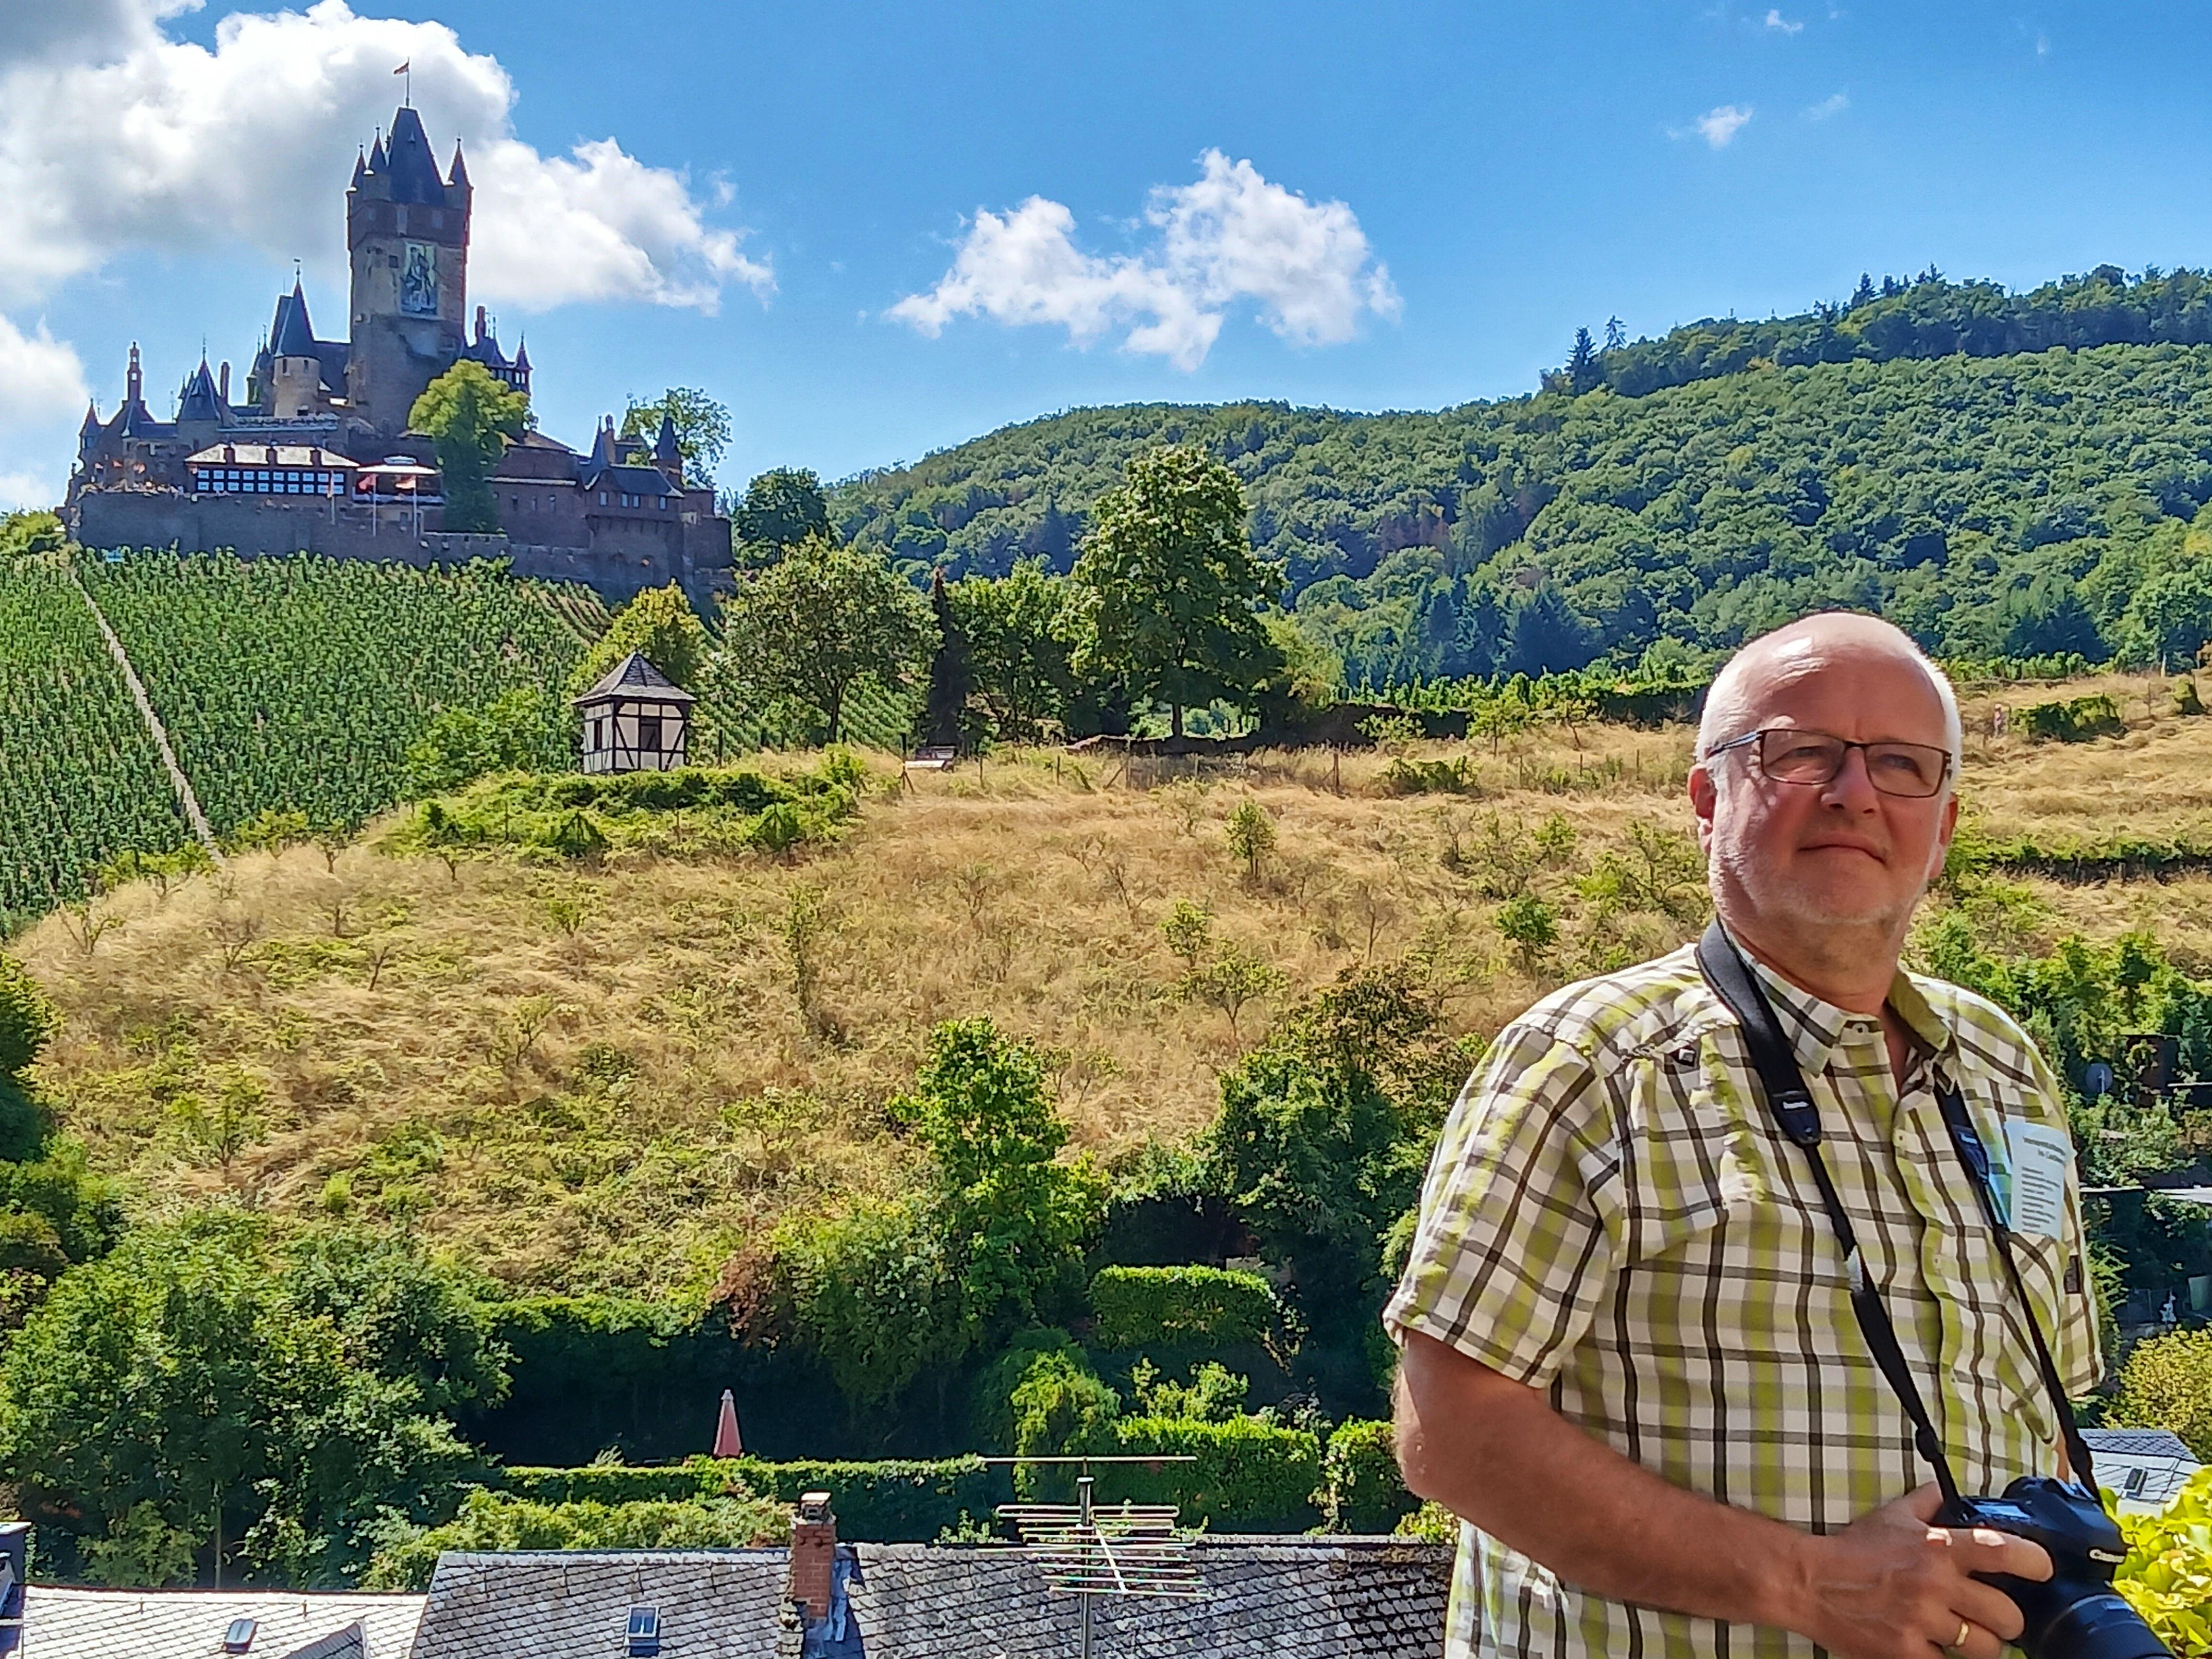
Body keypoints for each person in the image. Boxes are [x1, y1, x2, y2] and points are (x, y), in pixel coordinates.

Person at [1386, 613, 2100, 1659]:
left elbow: (2052, 1411)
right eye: (1803, 752)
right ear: (1708, 798)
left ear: (1943, 826)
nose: (1855, 793)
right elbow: (1448, 1435)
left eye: (1902, 764)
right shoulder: (1591, 1061)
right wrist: (1809, 1586)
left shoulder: (2006, 1069)